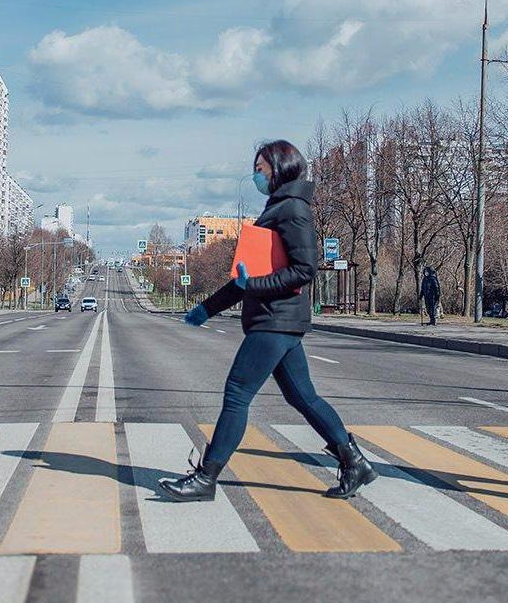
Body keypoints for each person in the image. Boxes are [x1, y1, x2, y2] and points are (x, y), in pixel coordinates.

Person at [160, 140, 378, 502]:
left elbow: (303, 271)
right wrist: (207, 309)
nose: (256, 175)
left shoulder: (292, 209)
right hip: (278, 320)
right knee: (302, 397)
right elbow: (246, 276)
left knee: (237, 395)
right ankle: (353, 461)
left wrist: (254, 285)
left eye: (260, 169)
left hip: (274, 320)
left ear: (279, 169)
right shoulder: (277, 208)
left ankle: (206, 478)